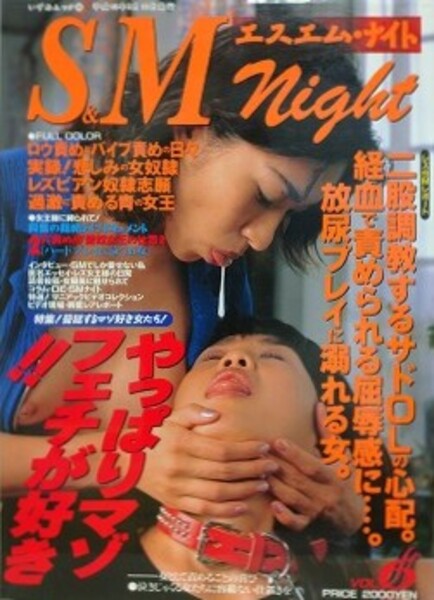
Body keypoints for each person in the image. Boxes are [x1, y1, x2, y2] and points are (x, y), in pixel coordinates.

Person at [0, 16, 377, 531]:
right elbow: (147, 463)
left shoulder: (215, 273)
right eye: (265, 195)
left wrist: (339, 509)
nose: (262, 239)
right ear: (191, 129)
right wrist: (124, 460)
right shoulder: (9, 204)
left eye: (288, 217)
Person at [5, 317, 370, 600]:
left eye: (273, 356)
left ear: (323, 431)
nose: (234, 359)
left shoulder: (345, 582)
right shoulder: (51, 565)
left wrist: (355, 524)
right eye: (211, 357)